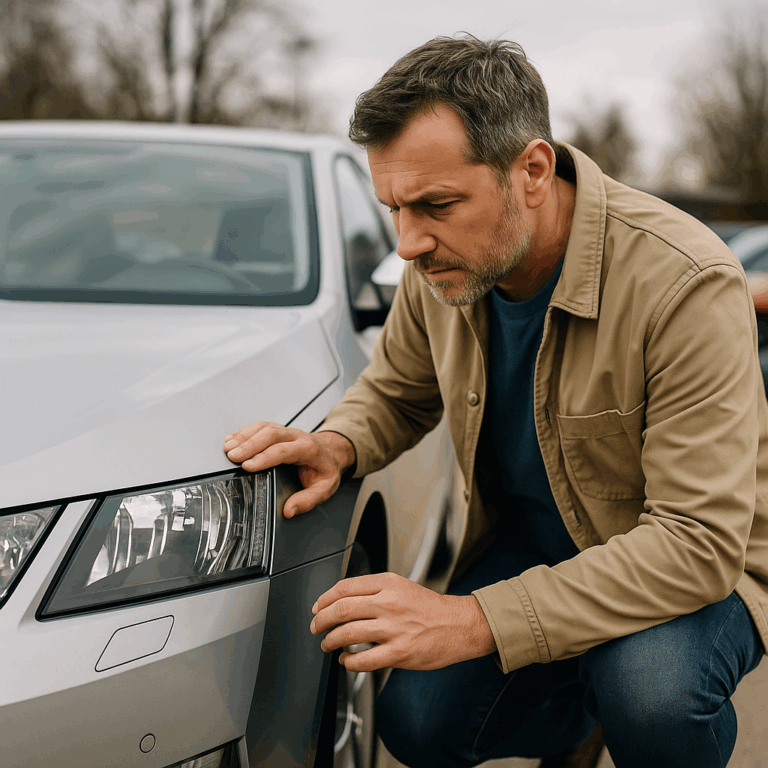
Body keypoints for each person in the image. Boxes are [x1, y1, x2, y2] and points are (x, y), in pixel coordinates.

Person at [222, 35, 768, 768]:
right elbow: (396, 392)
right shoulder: (444, 263)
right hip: (535, 544)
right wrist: (338, 444)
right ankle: (578, 715)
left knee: (649, 691)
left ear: (532, 171)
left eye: (436, 204)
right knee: (415, 719)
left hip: (692, 561)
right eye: (394, 208)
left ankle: (611, 698)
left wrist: (477, 619)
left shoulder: (688, 282)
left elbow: (696, 544)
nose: (409, 243)